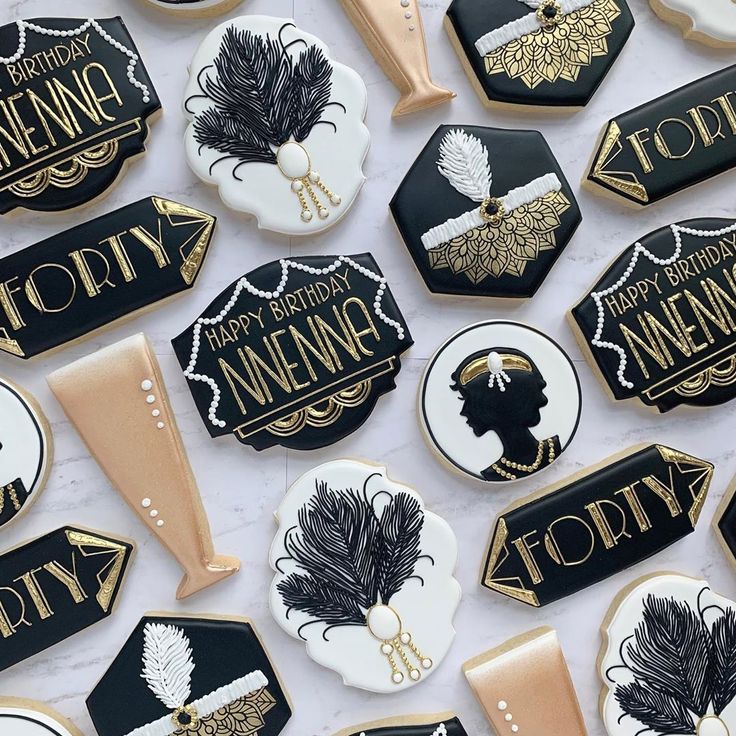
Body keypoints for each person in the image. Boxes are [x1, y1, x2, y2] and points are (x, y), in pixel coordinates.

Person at [450, 348, 561, 481]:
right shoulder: (492, 473)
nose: (464, 411)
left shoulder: (554, 448)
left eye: (466, 401)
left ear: (496, 405)